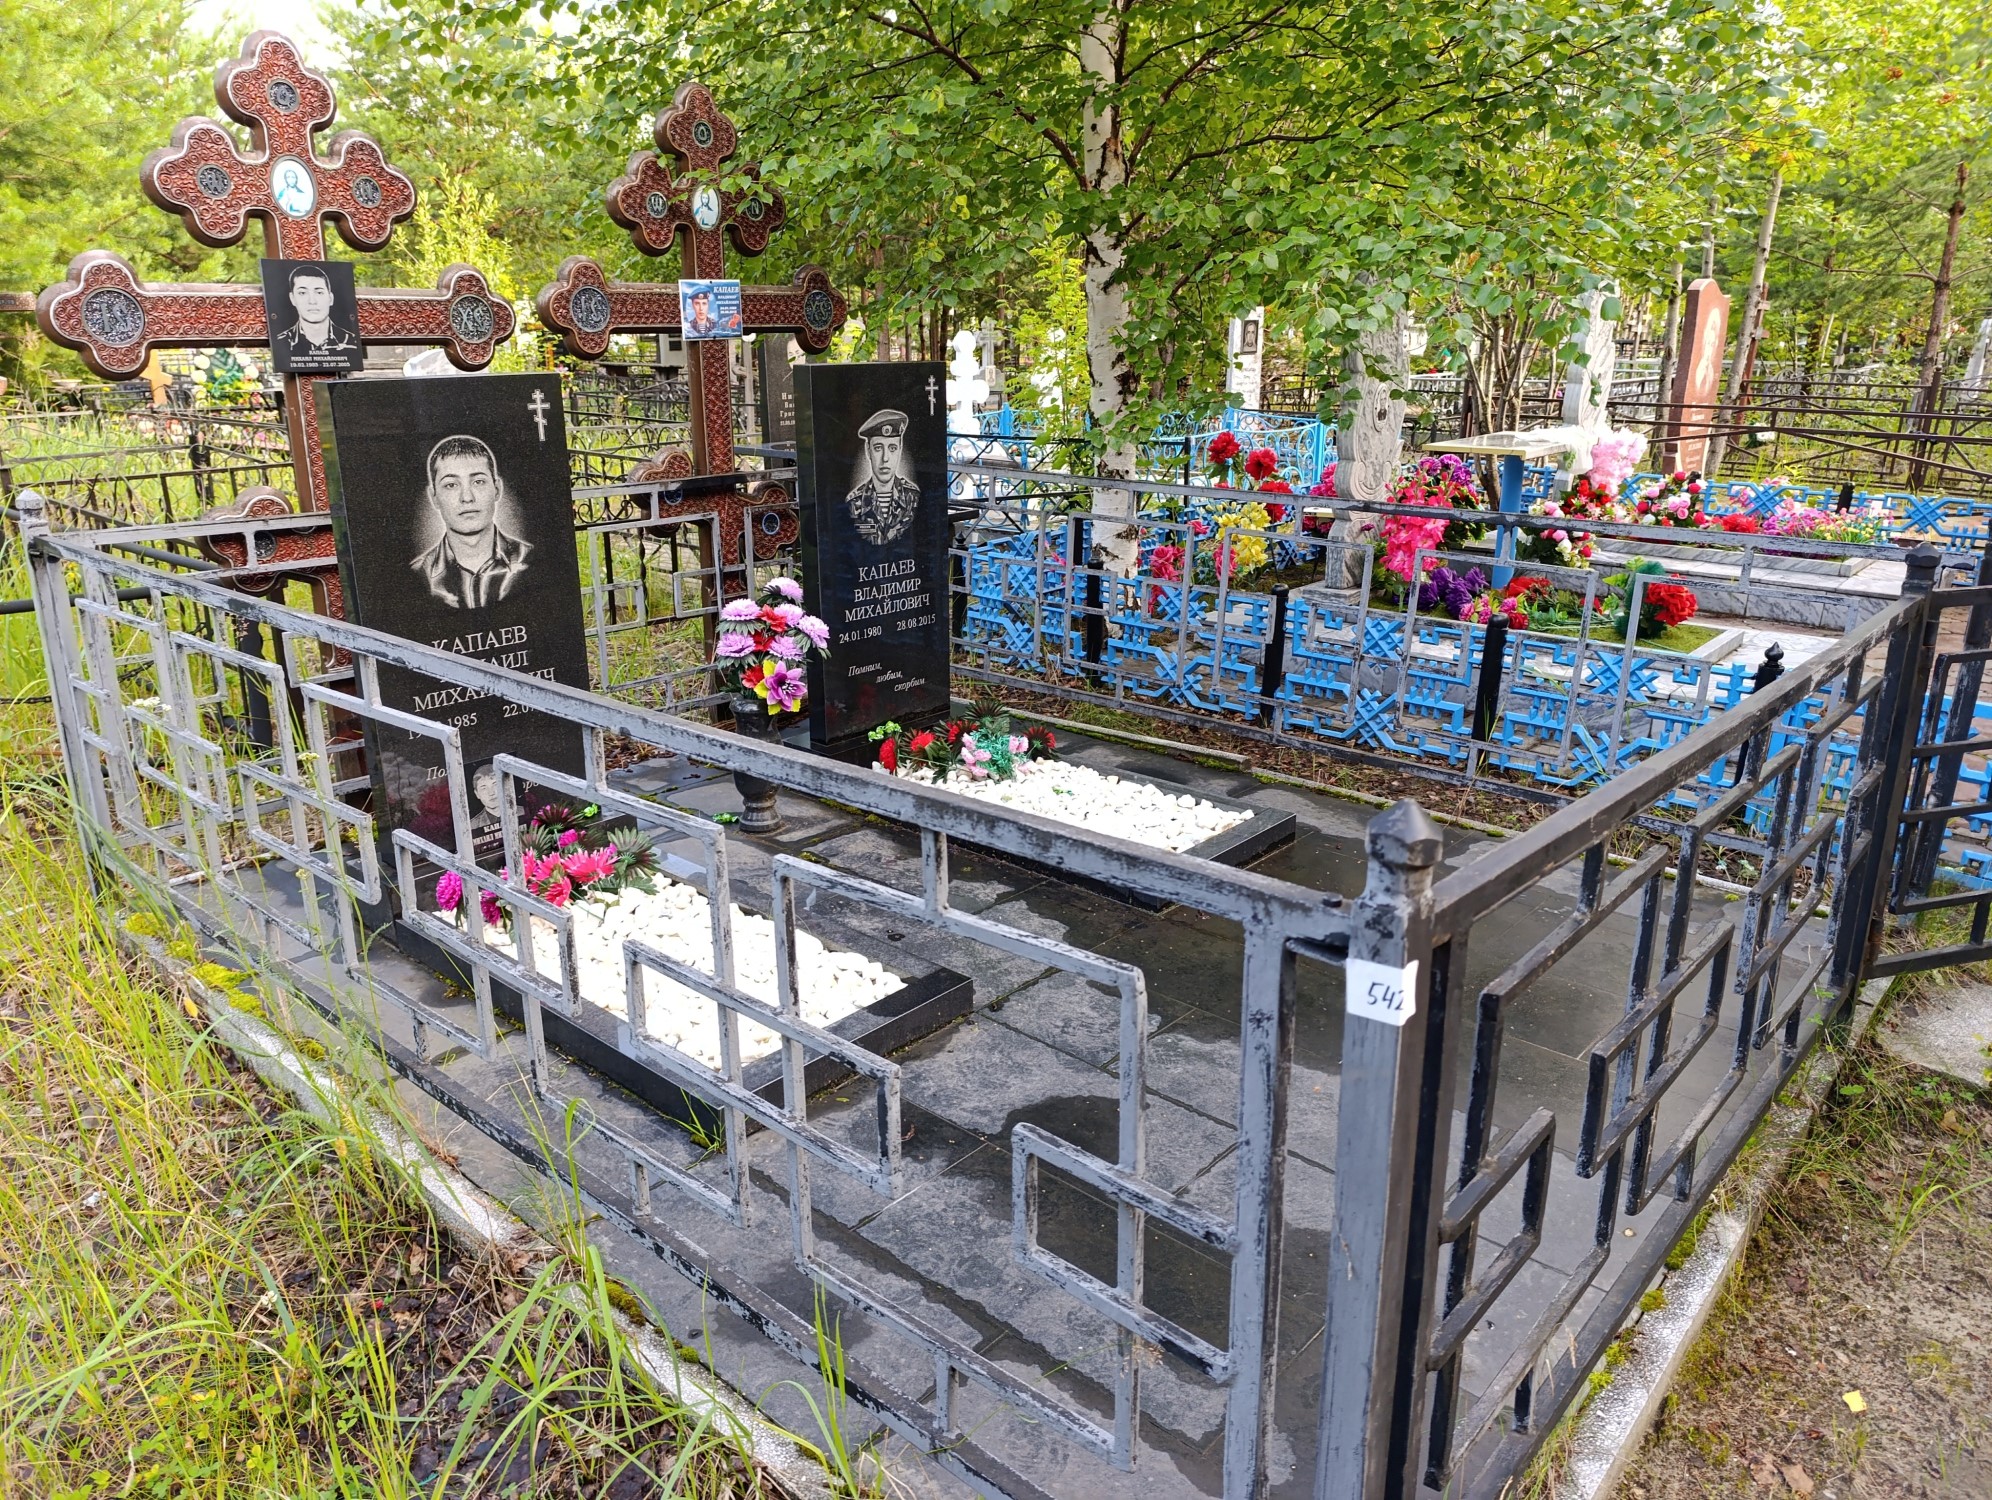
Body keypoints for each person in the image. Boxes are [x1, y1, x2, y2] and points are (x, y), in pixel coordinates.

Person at [411, 434, 532, 608]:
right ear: (434, 497)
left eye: (478, 481)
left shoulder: (533, 561)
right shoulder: (417, 574)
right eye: (451, 485)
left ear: (497, 489)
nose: (467, 497)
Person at [845, 408, 921, 544]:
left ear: (900, 449)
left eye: (892, 448)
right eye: (878, 448)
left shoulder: (914, 498)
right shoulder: (853, 503)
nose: (885, 458)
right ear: (868, 450)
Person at [275, 263, 358, 359]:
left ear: (330, 298)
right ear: (292, 298)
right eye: (302, 293)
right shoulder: (280, 342)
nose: (312, 301)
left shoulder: (352, 341)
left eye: (319, 292)